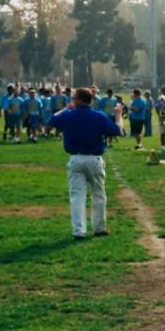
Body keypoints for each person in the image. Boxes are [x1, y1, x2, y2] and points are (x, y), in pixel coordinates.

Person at [48, 88, 123, 239]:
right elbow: (117, 131)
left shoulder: (69, 115)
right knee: (98, 195)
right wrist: (119, 115)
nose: (73, 100)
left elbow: (51, 120)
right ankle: (99, 228)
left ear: (80, 100)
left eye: (74, 98)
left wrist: (64, 109)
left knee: (77, 197)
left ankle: (79, 231)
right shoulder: (98, 116)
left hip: (75, 159)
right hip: (94, 159)